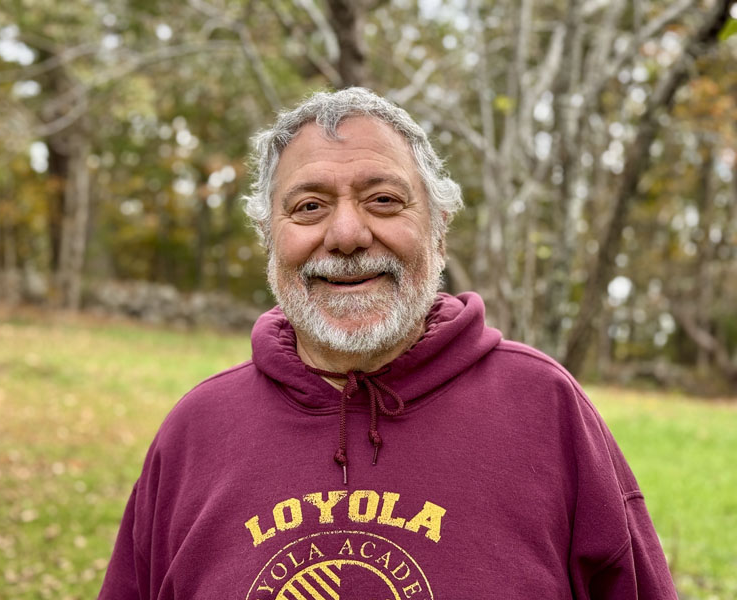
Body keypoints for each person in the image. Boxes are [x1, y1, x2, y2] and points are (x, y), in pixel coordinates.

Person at [99, 88, 677, 599]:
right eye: (309, 207)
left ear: (439, 228)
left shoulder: (546, 409)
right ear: (268, 236)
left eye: (383, 200)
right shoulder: (196, 431)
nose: (347, 235)